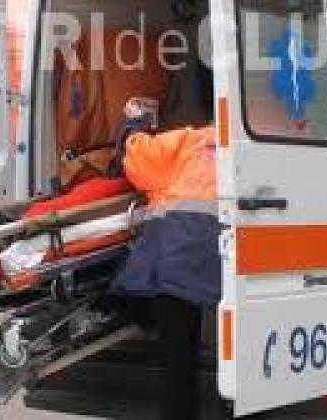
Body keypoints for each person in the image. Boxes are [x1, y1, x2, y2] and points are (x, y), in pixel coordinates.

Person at [109, 126, 221, 420]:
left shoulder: (189, 141)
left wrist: (134, 125)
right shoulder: (250, 146)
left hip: (175, 269)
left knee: (178, 367)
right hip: (224, 265)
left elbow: (136, 156)